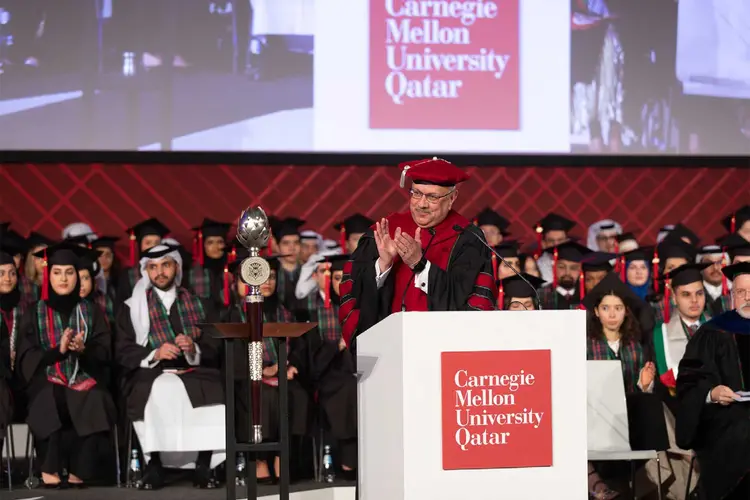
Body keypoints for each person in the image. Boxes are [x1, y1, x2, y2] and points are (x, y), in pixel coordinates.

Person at [339, 158, 496, 347]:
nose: (422, 204)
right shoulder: (387, 229)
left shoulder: (467, 237)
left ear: (453, 197)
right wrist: (383, 265)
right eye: (417, 193)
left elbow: (465, 299)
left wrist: (419, 264)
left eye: (432, 197)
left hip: (440, 349)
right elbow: (354, 290)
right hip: (387, 347)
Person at [115, 244, 224, 490]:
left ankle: (204, 465)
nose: (160, 272)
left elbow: (214, 345)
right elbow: (122, 349)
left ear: (177, 267)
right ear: (146, 272)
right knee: (156, 389)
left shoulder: (199, 303)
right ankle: (154, 465)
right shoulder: (132, 307)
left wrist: (193, 348)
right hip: (151, 371)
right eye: (153, 267)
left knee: (212, 385)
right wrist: (155, 352)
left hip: (193, 371)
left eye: (165, 265)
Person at [16, 242, 115, 488]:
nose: (63, 279)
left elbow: (105, 352)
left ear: (77, 276)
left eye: (69, 273)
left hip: (85, 374)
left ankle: (79, 470)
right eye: (57, 273)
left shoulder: (91, 311)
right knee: (51, 396)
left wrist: (84, 350)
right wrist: (57, 352)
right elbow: (26, 355)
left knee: (96, 397)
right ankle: (49, 468)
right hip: (45, 377)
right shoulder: (34, 312)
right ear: (48, 275)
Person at [223, 252, 309, 483]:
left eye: (271, 276)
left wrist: (288, 367)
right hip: (247, 379)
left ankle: (283, 458)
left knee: (297, 394)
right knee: (264, 395)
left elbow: (300, 347)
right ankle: (260, 461)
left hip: (281, 375)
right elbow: (230, 354)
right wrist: (261, 371)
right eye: (261, 276)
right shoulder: (234, 314)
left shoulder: (285, 312)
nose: (267, 282)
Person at [675, 262, 750, 500]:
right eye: (741, 292)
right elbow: (688, 382)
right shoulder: (712, 332)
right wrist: (711, 393)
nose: (748, 297)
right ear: (731, 296)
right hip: (725, 420)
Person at [583, 272, 656, 499]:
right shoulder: (587, 345)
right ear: (596, 312)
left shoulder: (635, 346)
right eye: (605, 308)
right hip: (595, 418)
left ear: (626, 311)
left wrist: (645, 385)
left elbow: (642, 391)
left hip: (630, 419)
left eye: (618, 307)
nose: (612, 314)